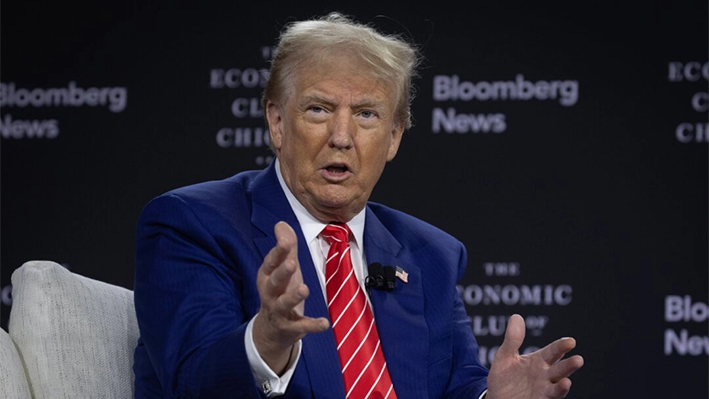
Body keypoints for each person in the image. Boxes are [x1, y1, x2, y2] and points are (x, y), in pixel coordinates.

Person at [133, 13, 583, 399]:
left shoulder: (432, 255)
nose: (342, 137)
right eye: (318, 109)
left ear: (394, 137)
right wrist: (266, 340)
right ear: (276, 121)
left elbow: (457, 386)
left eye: (366, 114)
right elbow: (189, 381)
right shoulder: (192, 224)